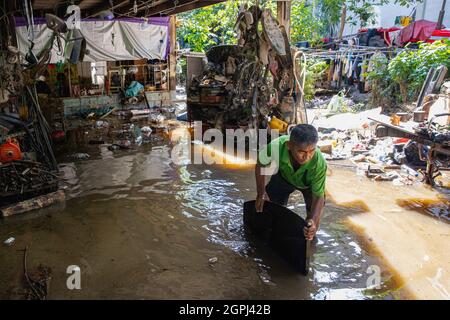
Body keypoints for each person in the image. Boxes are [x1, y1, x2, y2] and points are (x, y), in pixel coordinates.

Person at [254, 124, 327, 241]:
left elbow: (318, 196)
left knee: (311, 223)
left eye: (312, 151)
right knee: (268, 207)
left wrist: (313, 220)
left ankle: (309, 239)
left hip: (308, 185)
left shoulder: (319, 163)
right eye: (301, 152)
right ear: (289, 145)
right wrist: (261, 192)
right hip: (284, 178)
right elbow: (260, 164)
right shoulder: (275, 146)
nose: (307, 157)